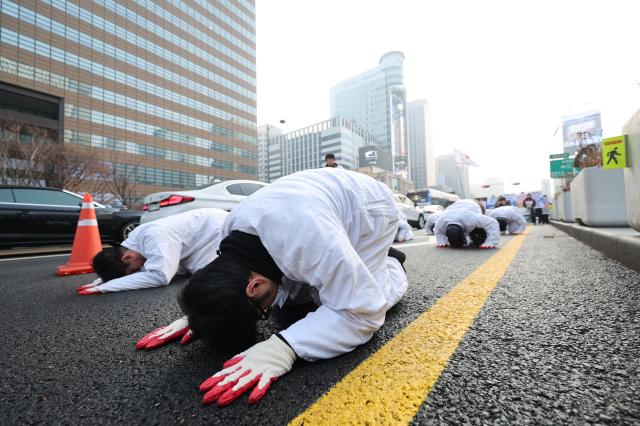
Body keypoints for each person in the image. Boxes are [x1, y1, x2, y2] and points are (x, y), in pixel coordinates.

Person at [177, 168, 408, 406]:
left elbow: (361, 312)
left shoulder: (312, 241)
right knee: (296, 298)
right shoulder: (232, 228)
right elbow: (225, 277)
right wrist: (203, 311)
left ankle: (391, 263)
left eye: (262, 311)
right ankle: (352, 263)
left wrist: (285, 347)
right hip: (314, 204)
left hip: (370, 207)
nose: (267, 311)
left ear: (254, 287)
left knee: (364, 298)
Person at [77, 208, 228, 295]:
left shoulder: (154, 236)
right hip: (202, 234)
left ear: (127, 257)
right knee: (190, 270)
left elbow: (160, 276)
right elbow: (146, 269)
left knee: (203, 273)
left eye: (131, 270)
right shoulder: (135, 240)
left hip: (217, 230)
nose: (136, 271)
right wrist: (105, 280)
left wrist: (106, 287)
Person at [433, 199, 500, 248]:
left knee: (480, 237)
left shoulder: (472, 218)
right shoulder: (441, 222)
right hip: (457, 205)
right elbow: (438, 231)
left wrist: (491, 242)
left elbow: (492, 223)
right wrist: (441, 241)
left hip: (474, 204)